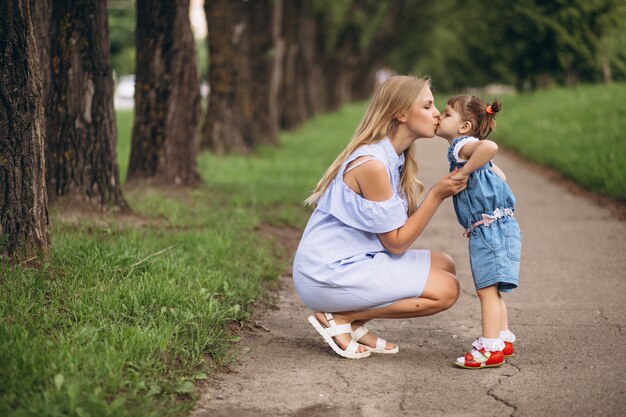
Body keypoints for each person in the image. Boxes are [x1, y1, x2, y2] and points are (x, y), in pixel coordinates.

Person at [292, 75, 467, 359]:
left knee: (444, 264)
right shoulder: (372, 163)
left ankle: (355, 321)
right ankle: (342, 317)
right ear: (400, 113)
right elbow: (396, 243)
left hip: (355, 260)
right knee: (447, 290)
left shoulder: (393, 157)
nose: (436, 114)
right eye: (427, 106)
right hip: (326, 272)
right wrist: (436, 194)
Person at [436, 95, 521, 369]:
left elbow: (490, 147)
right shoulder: (466, 149)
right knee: (493, 290)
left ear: (464, 127)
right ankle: (502, 338)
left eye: (446, 113)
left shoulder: (461, 147)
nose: (439, 115)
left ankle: (488, 348)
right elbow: (501, 176)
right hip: (499, 225)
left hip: (488, 229)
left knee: (486, 291)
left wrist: (463, 173)